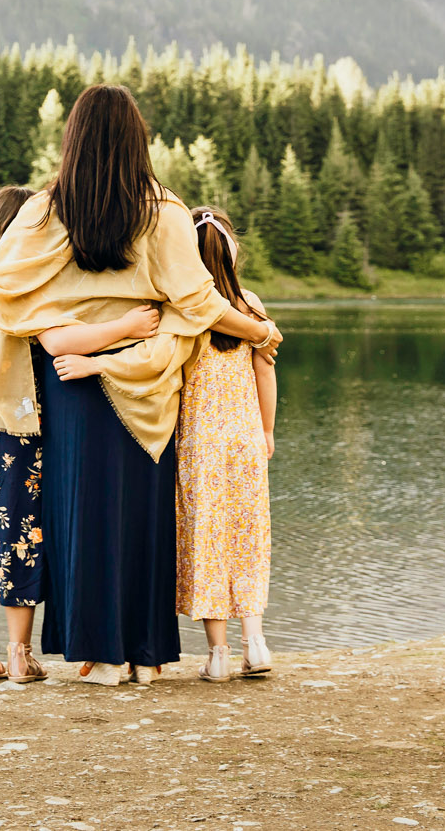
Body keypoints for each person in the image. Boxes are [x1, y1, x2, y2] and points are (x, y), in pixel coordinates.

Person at [0, 85, 282, 685]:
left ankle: (99, 656)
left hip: (72, 378)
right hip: (150, 372)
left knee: (82, 513)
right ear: (137, 139)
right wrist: (256, 329)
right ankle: (146, 656)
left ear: (72, 139)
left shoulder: (47, 209)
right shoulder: (164, 210)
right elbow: (199, 302)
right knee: (143, 513)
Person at [0, 185, 164, 683]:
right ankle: (19, 653)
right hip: (22, 431)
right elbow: (60, 341)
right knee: (21, 536)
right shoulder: (25, 300)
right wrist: (126, 325)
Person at [160, 206, 277, 682]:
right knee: (247, 534)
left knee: (205, 539)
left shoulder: (186, 311)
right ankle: (256, 641)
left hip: (198, 444)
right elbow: (266, 370)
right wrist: (267, 430)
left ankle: (219, 654)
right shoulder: (250, 305)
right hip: (246, 438)